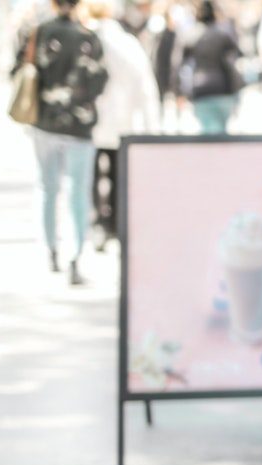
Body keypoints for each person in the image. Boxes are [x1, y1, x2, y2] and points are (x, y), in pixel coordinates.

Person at [14, 0, 109, 285]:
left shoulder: (39, 32)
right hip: (79, 126)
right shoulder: (89, 38)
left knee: (47, 187)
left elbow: (21, 69)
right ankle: (75, 255)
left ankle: (50, 249)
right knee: (78, 192)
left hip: (44, 121)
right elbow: (100, 80)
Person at [88, 0, 160, 250]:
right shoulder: (126, 43)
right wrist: (152, 128)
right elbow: (146, 86)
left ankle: (98, 221)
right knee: (118, 174)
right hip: (121, 121)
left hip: (92, 121)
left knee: (94, 173)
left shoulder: (88, 39)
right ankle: (115, 223)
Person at [181, 1, 242, 134]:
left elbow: (182, 64)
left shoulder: (192, 37)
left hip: (202, 90)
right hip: (222, 89)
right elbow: (233, 59)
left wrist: (180, 91)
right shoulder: (222, 35)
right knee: (220, 134)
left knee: (208, 134)